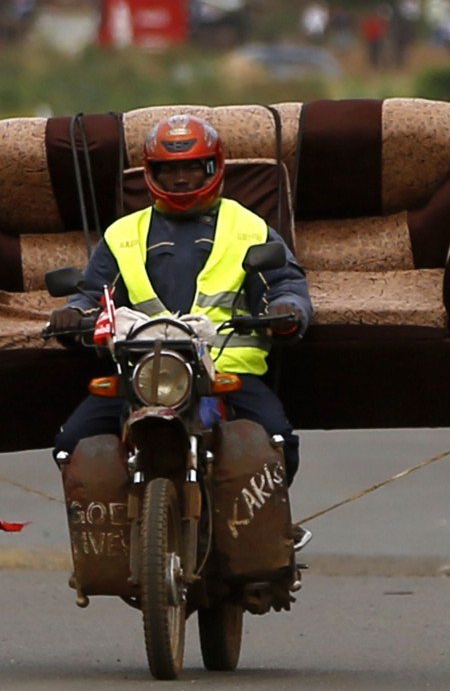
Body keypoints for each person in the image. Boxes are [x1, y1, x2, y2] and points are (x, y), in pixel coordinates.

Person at [47, 114, 312, 486]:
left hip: (225, 373)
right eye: (169, 170)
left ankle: (266, 532)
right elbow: (93, 292)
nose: (182, 178)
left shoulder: (249, 227)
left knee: (278, 442)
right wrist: (73, 314)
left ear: (214, 168)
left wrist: (288, 309)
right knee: (69, 445)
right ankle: (117, 532)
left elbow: (285, 282)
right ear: (150, 173)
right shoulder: (123, 234)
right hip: (141, 374)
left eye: (193, 168)